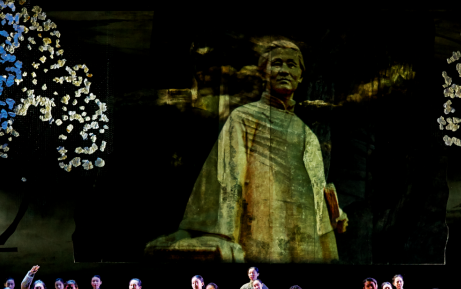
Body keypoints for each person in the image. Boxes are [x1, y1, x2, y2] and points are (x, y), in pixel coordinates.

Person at [146, 39, 348, 263]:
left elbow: (318, 192)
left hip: (303, 236)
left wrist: (334, 219)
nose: (284, 70)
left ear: (300, 76)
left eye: (291, 65)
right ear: (263, 73)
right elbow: (228, 177)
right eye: (277, 63)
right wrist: (223, 235)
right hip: (261, 227)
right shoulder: (244, 118)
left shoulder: (308, 134)